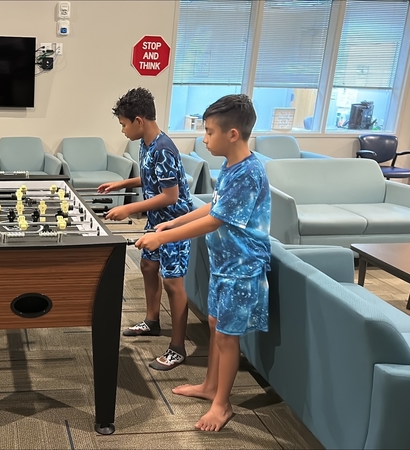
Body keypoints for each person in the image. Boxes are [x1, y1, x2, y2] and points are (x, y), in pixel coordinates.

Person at [135, 94, 271, 432]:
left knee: (226, 337)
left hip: (242, 268)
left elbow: (217, 222)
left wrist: (163, 237)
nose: (205, 139)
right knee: (214, 325)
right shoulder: (230, 166)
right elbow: (213, 207)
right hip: (224, 265)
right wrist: (175, 223)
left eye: (209, 132)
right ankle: (211, 386)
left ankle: (222, 405)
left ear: (233, 134)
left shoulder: (249, 173)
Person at [97, 87, 194, 371]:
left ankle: (177, 348)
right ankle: (152, 321)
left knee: (173, 284)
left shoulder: (164, 148)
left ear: (139, 120)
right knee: (148, 267)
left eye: (124, 125)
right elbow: (149, 179)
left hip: (175, 223)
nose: (123, 131)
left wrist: (129, 208)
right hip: (156, 220)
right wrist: (122, 185)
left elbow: (171, 196)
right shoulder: (146, 143)